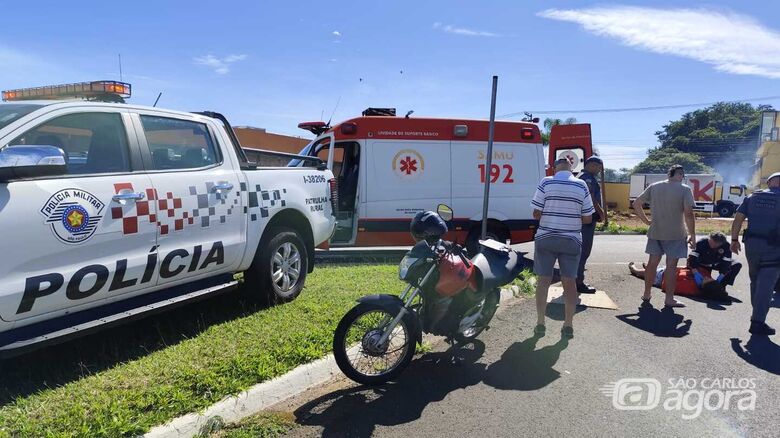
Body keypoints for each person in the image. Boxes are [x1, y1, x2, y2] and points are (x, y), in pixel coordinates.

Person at [531, 158, 594, 338]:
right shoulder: (581, 185)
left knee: (543, 280)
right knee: (569, 282)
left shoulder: (546, 182)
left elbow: (536, 213)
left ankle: (540, 323)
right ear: (572, 168)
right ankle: (568, 325)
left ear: (554, 168)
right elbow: (588, 218)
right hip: (571, 239)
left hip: (545, 238)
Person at [632, 164, 696, 307]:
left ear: (669, 174)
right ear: (680, 174)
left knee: (651, 264)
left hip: (655, 231)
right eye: (682, 175)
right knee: (671, 267)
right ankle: (669, 299)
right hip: (676, 234)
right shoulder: (685, 189)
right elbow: (689, 213)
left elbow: (636, 203)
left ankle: (647, 294)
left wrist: (646, 221)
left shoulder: (654, 186)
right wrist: (692, 234)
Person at [730, 171, 780, 336]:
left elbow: (738, 219)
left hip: (751, 245)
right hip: (774, 247)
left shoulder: (752, 197)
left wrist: (734, 240)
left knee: (755, 280)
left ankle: (757, 314)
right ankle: (757, 322)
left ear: (770, 183)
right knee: (767, 284)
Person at [576, 156, 606, 294]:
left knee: (579, 252)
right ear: (592, 165)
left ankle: (574, 281)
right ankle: (578, 283)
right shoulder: (587, 178)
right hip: (586, 219)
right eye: (598, 167)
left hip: (582, 218)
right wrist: (601, 212)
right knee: (583, 252)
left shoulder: (580, 176)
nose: (599, 171)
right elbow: (590, 196)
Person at [628, 262, 729, 301]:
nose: (707, 277)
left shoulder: (690, 288)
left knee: (649, 273)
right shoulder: (703, 278)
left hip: (662, 277)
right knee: (659, 267)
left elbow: (669, 286)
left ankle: (635, 270)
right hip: (673, 269)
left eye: (707, 280)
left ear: (704, 287)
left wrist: (670, 273)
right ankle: (651, 267)